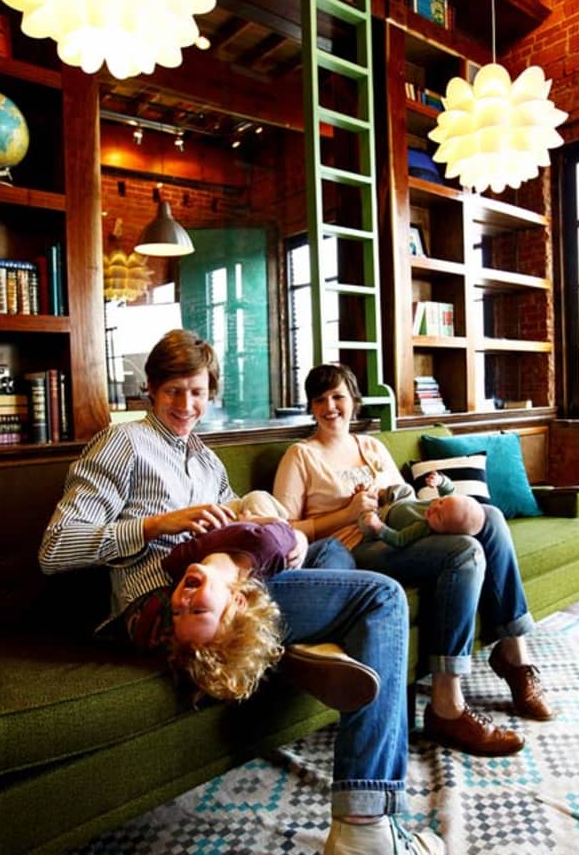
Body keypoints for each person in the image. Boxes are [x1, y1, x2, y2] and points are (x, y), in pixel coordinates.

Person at [39, 329, 444, 855]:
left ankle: (307, 644)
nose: (186, 405)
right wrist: (158, 524)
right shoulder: (122, 444)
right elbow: (55, 548)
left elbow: (247, 521)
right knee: (383, 597)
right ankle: (364, 824)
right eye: (174, 391)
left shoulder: (206, 460)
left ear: (210, 394)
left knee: (324, 550)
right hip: (168, 599)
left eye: (197, 392)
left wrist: (292, 540)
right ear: (150, 390)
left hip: (236, 585)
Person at [273, 362, 554, 759]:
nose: (330, 406)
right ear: (311, 407)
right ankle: (447, 706)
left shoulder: (371, 447)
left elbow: (402, 496)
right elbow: (284, 531)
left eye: (338, 396)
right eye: (320, 399)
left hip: (401, 530)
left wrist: (430, 500)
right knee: (465, 553)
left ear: (354, 400)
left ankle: (515, 654)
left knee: (488, 517)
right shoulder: (301, 455)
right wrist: (346, 512)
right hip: (356, 548)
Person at [360, 486, 486, 547]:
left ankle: (368, 502)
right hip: (404, 501)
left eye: (439, 516)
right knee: (406, 489)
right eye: (441, 502)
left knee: (367, 523)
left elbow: (399, 540)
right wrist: (441, 482)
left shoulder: (423, 528)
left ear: (445, 533)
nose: (435, 507)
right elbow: (449, 491)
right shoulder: (447, 505)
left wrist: (379, 527)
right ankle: (379, 495)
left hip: (385, 517)